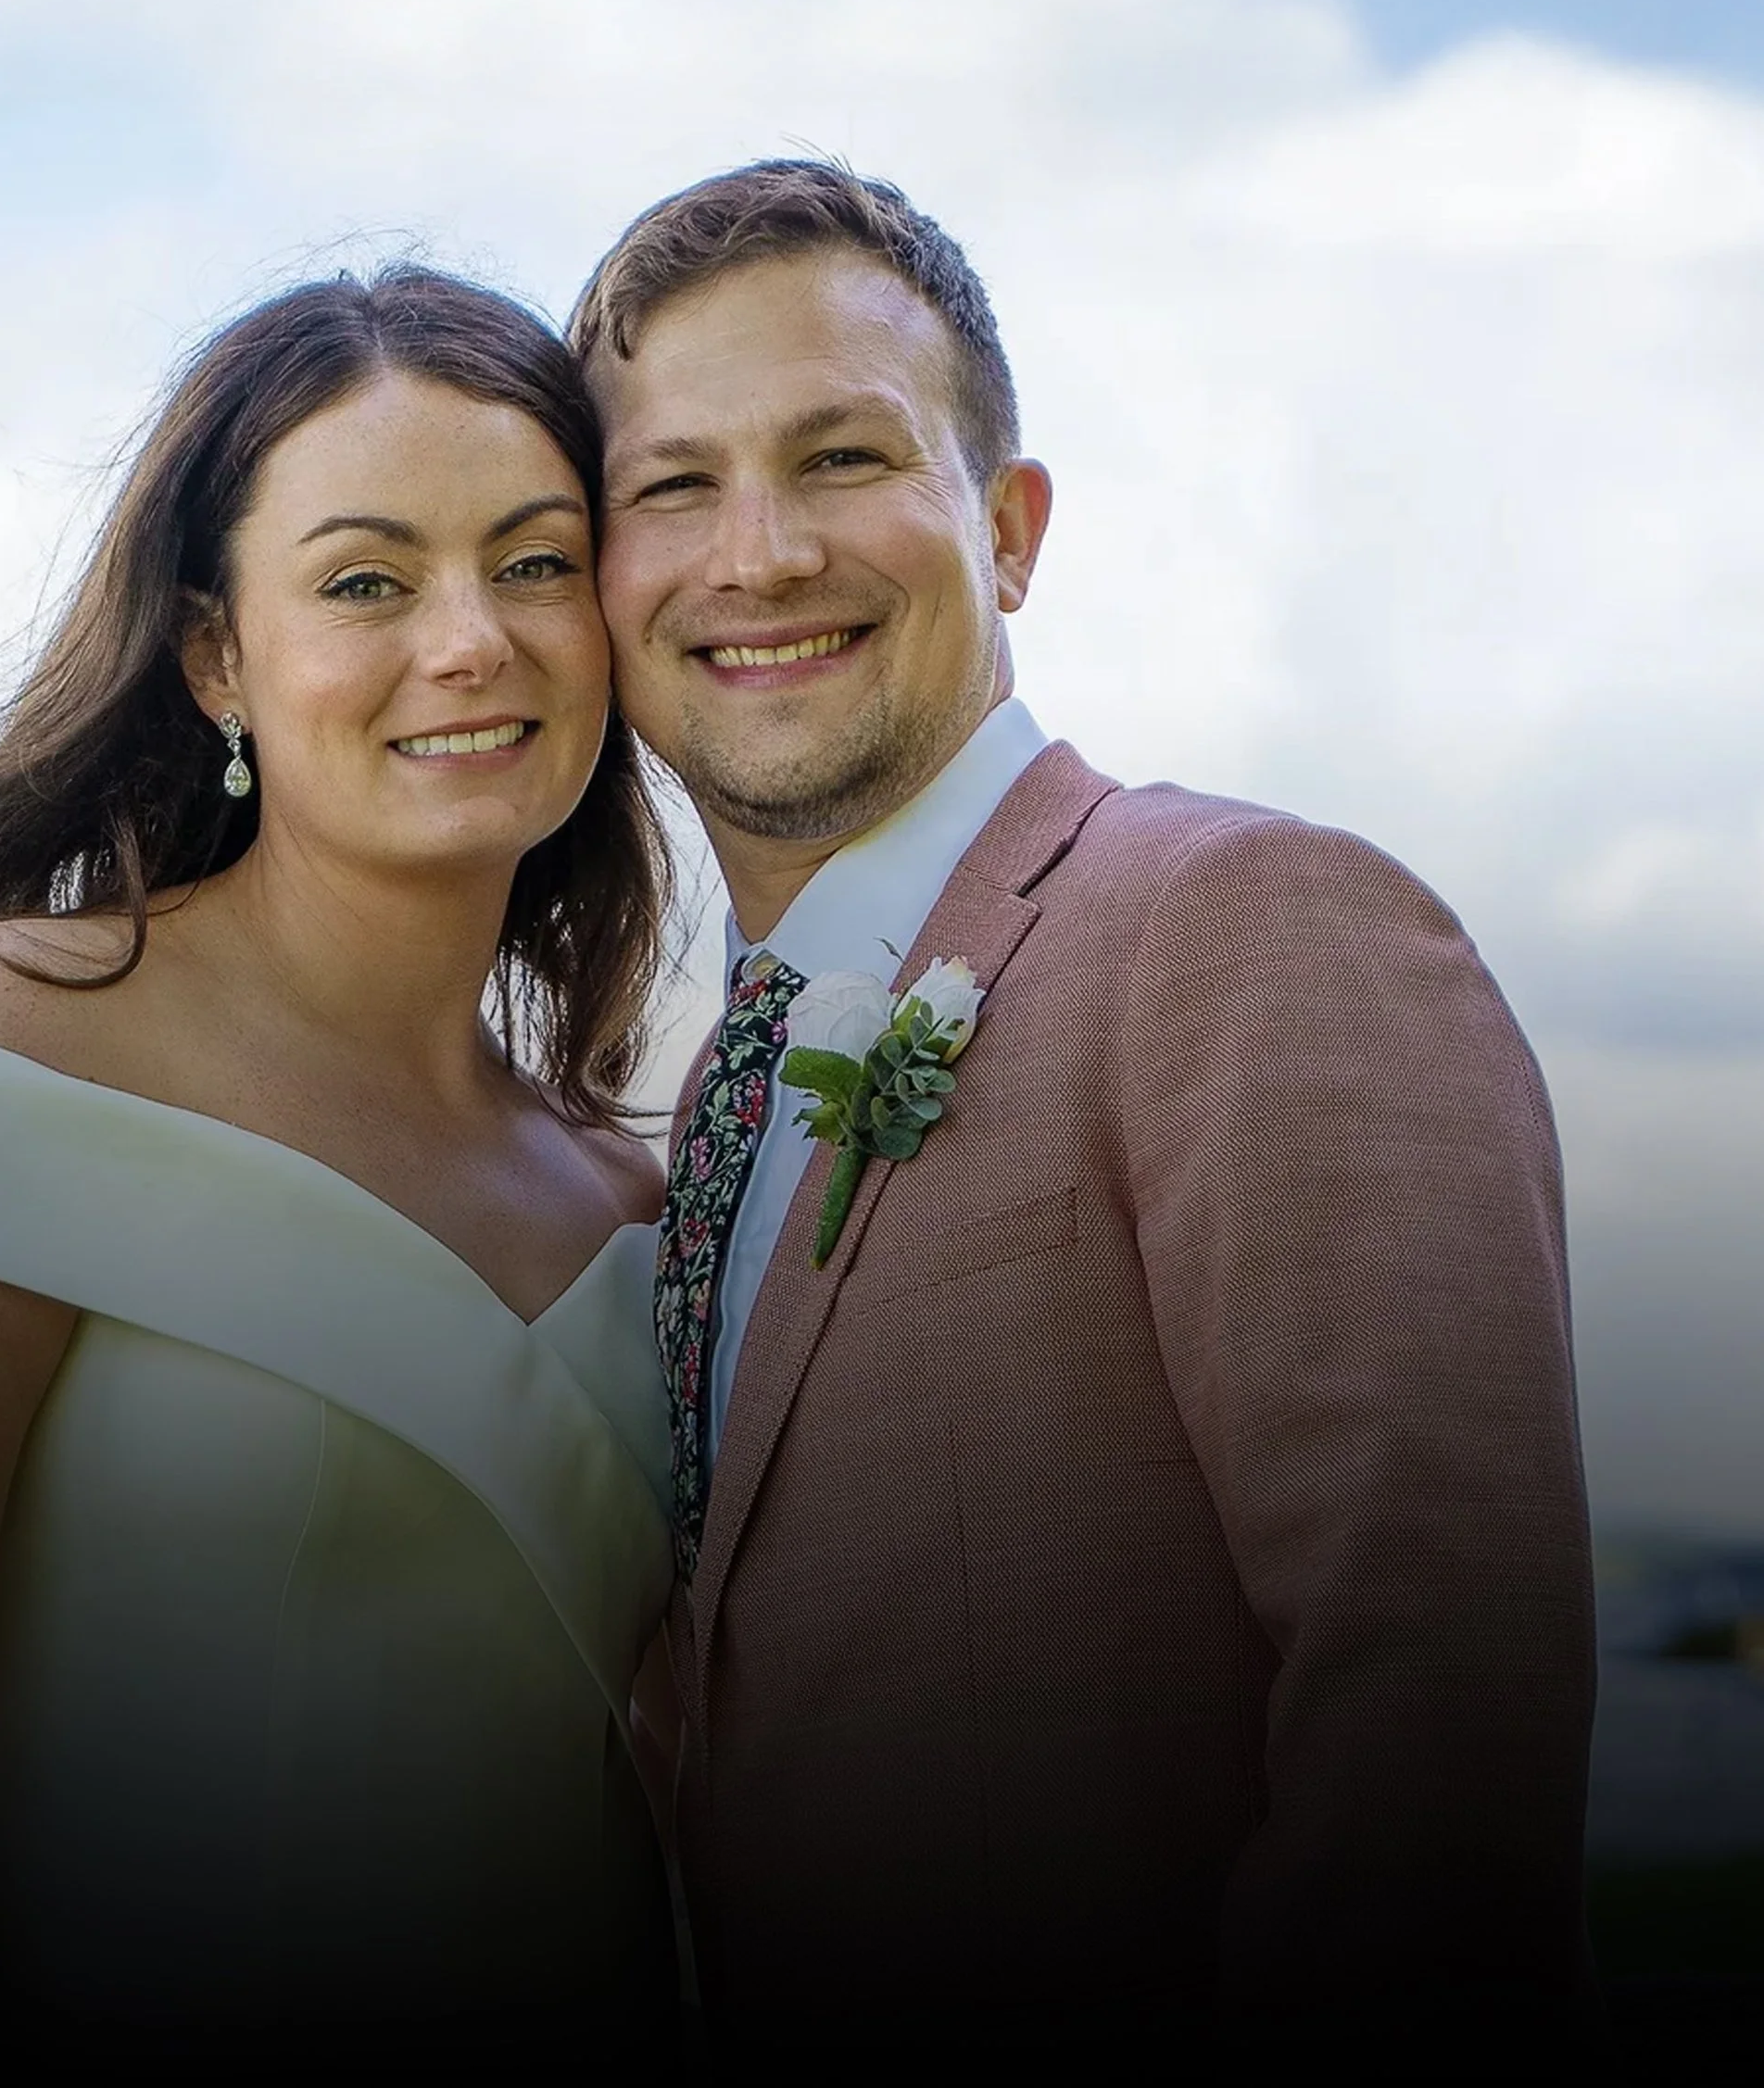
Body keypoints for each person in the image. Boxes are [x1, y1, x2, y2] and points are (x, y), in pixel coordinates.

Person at [570, 160, 1596, 2052]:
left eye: (844, 457)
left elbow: (1436, 1727)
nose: (760, 550)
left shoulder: (1248, 923)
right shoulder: (718, 1084)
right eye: (672, 486)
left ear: (1010, 527)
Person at [0, 267, 683, 2055]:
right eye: (364, 582)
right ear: (217, 657)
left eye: (538, 560)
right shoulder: (20, 1048)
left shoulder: (625, 1195)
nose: (471, 637)